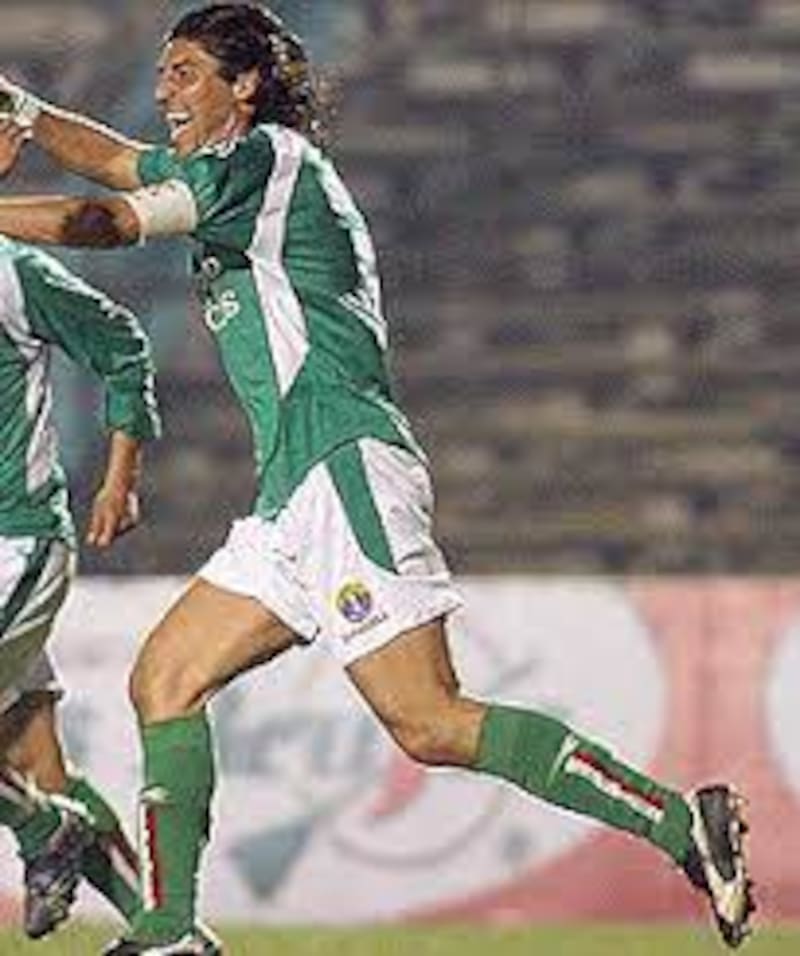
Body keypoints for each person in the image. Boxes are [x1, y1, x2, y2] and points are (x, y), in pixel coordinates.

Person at [0, 5, 753, 953]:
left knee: (430, 724)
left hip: (344, 464)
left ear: (246, 85)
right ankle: (170, 932)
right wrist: (24, 110)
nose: (164, 92)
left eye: (186, 72)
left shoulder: (265, 162)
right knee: (166, 678)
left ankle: (683, 821)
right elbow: (116, 163)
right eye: (162, 73)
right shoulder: (227, 168)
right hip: (292, 495)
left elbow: (103, 219)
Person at [0, 124, 158, 941]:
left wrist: (120, 476)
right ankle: (163, 926)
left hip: (13, 541)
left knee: (36, 795)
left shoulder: (12, 270)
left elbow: (123, 346)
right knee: (37, 766)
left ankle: (40, 831)